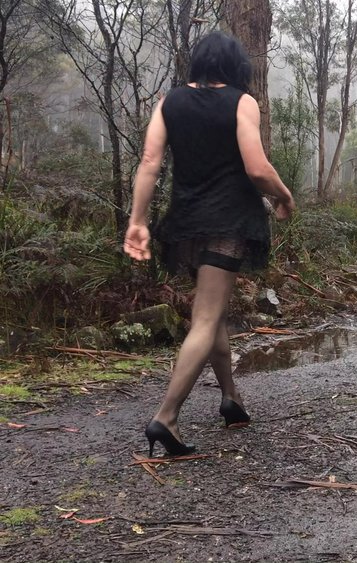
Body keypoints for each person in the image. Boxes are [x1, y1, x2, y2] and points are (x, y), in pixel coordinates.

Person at [123, 31, 295, 457]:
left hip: (185, 222)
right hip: (228, 221)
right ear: (236, 66)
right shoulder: (242, 101)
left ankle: (231, 399)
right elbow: (256, 167)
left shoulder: (170, 101)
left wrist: (138, 220)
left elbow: (149, 162)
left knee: (211, 311)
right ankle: (166, 418)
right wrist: (284, 195)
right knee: (206, 318)